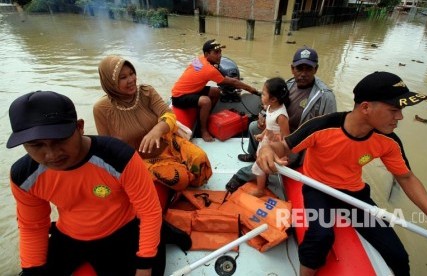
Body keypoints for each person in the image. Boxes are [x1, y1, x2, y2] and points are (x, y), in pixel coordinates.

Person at [255, 71, 427, 276]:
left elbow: (405, 177)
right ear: (365, 107)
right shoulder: (322, 126)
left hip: (354, 194)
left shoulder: (388, 140)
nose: (400, 117)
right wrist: (266, 149)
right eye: (394, 110)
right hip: (318, 188)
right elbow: (282, 147)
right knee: (320, 237)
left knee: (398, 255)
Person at [7, 91, 164, 276]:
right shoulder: (24, 177)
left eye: (60, 140)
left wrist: (144, 265)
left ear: (80, 127)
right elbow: (33, 226)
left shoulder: (119, 157)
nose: (51, 154)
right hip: (68, 238)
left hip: (122, 232)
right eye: (36, 145)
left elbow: (149, 212)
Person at [94, 55, 212, 192]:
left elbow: (169, 114)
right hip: (139, 160)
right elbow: (106, 147)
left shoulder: (146, 92)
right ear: (110, 82)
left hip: (167, 143)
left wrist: (157, 130)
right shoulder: (101, 109)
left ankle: (184, 171)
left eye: (132, 74)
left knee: (200, 158)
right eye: (123, 77)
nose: (131, 80)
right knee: (180, 178)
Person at [227, 46, 337, 191]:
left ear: (315, 69)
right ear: (292, 69)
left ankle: (242, 175)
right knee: (254, 126)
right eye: (299, 68)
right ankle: (253, 155)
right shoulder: (289, 85)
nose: (303, 73)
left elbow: (330, 131)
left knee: (269, 155)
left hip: (297, 142)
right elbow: (274, 102)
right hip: (279, 130)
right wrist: (263, 115)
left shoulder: (325, 96)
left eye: (308, 69)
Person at [171, 39, 260, 142]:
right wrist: (252, 90)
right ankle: (203, 130)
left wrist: (226, 78)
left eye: (220, 52)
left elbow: (200, 73)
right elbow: (231, 82)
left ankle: (205, 117)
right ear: (207, 54)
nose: (220, 55)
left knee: (216, 92)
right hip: (179, 96)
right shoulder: (208, 69)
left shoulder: (199, 59)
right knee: (206, 101)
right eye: (216, 52)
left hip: (191, 89)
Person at [249, 77, 290, 197]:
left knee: (258, 166)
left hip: (273, 144)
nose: (261, 95)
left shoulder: (281, 116)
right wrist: (262, 135)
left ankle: (260, 189)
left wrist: (284, 154)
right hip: (266, 141)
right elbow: (269, 125)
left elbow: (286, 136)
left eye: (264, 94)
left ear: (273, 99)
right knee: (261, 160)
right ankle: (264, 181)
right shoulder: (269, 107)